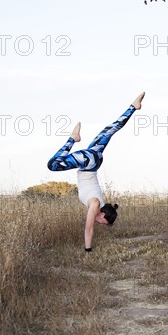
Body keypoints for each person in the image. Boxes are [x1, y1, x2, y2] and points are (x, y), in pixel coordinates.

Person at [47, 92, 145, 252]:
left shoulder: (98, 203)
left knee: (110, 130)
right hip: (88, 162)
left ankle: (134, 107)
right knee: (53, 165)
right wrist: (88, 250)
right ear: (102, 215)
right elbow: (88, 229)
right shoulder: (95, 205)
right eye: (103, 222)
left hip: (94, 160)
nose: (100, 224)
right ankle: (73, 138)